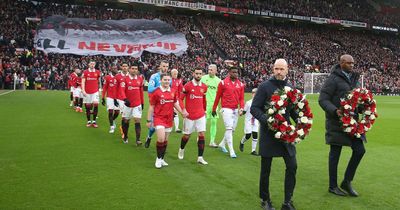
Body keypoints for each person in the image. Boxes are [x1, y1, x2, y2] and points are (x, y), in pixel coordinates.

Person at [250, 59, 298, 210]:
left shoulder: (290, 87)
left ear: (287, 70)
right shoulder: (264, 86)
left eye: (281, 69)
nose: (278, 71)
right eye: (276, 68)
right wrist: (267, 121)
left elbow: (293, 111)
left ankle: (287, 202)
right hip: (268, 134)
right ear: (273, 69)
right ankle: (265, 200)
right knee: (266, 169)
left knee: (292, 166)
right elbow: (254, 108)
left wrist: (302, 121)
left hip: (285, 135)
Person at [319, 54, 366, 197]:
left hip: (353, 122)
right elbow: (323, 99)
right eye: (349, 63)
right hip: (336, 122)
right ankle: (332, 186)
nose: (352, 65)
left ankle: (347, 181)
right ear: (341, 63)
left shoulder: (355, 80)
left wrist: (363, 107)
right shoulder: (332, 79)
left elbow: (357, 99)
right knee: (335, 154)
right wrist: (335, 111)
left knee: (360, 150)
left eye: (353, 63)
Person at [146, 73, 187, 169]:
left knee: (165, 140)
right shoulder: (156, 92)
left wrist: (182, 112)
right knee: (160, 139)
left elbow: (175, 103)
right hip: (158, 118)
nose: (167, 81)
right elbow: (151, 107)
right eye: (165, 80)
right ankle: (158, 159)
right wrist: (148, 120)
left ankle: (162, 158)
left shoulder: (173, 91)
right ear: (160, 80)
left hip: (169, 119)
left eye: (168, 80)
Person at [212, 66, 245, 158]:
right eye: (234, 72)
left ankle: (222, 144)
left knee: (232, 130)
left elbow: (242, 98)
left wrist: (241, 107)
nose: (236, 74)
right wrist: (214, 108)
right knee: (229, 128)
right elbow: (218, 96)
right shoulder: (222, 83)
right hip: (226, 108)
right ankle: (231, 151)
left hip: (235, 109)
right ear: (229, 73)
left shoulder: (241, 84)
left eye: (237, 72)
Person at [178, 67, 208, 165]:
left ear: (202, 74)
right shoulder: (187, 86)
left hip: (201, 115)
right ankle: (181, 149)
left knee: (201, 135)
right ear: (193, 74)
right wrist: (183, 110)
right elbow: (180, 99)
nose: (198, 75)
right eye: (197, 73)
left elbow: (204, 100)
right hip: (189, 116)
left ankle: (200, 157)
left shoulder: (204, 86)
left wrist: (205, 110)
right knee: (187, 136)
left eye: (200, 73)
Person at [145, 60, 169, 148]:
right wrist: (161, 86)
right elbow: (150, 89)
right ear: (160, 66)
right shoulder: (154, 76)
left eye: (167, 66)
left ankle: (162, 147)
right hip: (155, 105)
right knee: (152, 128)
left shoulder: (168, 78)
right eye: (164, 66)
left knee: (166, 128)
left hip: (166, 106)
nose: (165, 68)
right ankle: (149, 137)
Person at [119, 63, 144, 145]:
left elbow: (141, 91)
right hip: (127, 104)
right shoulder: (124, 79)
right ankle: (125, 136)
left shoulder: (140, 79)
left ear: (137, 70)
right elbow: (121, 90)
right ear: (129, 69)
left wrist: (142, 102)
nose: (134, 70)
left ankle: (138, 140)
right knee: (126, 121)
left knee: (137, 120)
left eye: (136, 69)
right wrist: (125, 98)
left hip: (137, 104)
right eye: (132, 68)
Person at [201, 64, 221, 148]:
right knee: (202, 122)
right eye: (209, 69)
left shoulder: (219, 81)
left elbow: (220, 94)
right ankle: (200, 138)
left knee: (214, 122)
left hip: (214, 105)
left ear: (216, 71)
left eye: (211, 70)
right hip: (204, 104)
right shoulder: (203, 78)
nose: (209, 71)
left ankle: (212, 141)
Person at [239, 88, 259, 156]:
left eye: (256, 93)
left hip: (255, 121)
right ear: (252, 94)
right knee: (248, 135)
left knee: (255, 135)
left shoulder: (259, 102)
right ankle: (242, 142)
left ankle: (253, 150)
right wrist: (241, 113)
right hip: (248, 121)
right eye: (253, 93)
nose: (255, 94)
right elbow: (244, 111)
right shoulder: (248, 103)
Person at [81, 61, 101, 128]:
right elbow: (83, 82)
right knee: (88, 106)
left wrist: (100, 89)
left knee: (95, 104)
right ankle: (89, 121)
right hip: (87, 92)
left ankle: (94, 121)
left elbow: (99, 81)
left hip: (95, 91)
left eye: (93, 64)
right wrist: (83, 90)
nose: (92, 65)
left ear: (95, 65)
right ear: (89, 64)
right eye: (91, 64)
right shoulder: (85, 72)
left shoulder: (97, 72)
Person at [102, 65, 119, 133]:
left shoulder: (119, 77)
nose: (115, 69)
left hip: (118, 98)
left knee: (117, 112)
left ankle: (113, 120)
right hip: (110, 97)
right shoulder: (107, 77)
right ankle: (111, 126)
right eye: (114, 68)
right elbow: (105, 88)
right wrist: (103, 97)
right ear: (111, 69)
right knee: (110, 111)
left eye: (116, 68)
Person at [171, 68, 183, 133]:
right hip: (168, 99)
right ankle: (166, 126)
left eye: (176, 74)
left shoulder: (179, 81)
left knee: (176, 113)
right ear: (171, 74)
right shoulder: (169, 80)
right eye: (174, 74)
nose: (176, 75)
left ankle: (177, 128)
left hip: (176, 99)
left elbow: (181, 89)